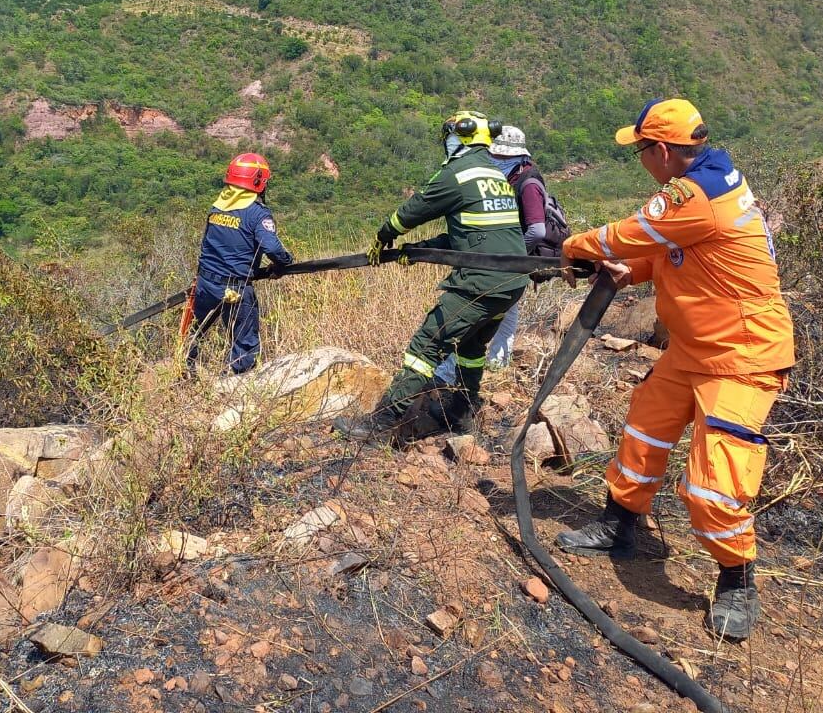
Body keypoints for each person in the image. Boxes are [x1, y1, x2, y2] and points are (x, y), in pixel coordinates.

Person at [554, 98, 794, 643]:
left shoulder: (695, 196)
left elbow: (626, 235)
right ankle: (619, 525)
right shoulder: (707, 181)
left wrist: (573, 247)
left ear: (661, 150)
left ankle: (736, 577)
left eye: (640, 150)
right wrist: (623, 271)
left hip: (741, 356)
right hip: (694, 349)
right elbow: (667, 253)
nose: (640, 159)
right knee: (645, 427)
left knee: (715, 483)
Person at [338, 111, 528, 442]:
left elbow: (415, 209)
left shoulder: (459, 172)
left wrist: (385, 235)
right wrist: (419, 250)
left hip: (480, 283)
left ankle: (381, 425)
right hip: (511, 282)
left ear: (462, 137)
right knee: (471, 347)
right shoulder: (494, 175)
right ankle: (462, 414)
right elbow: (468, 235)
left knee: (426, 346)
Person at [434, 124, 542, 380]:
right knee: (506, 312)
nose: (495, 160)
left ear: (515, 156)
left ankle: (451, 370)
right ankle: (497, 362)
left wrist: (509, 254)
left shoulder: (528, 183)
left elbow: (537, 229)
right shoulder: (513, 178)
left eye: (500, 157)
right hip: (507, 264)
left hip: (509, 263)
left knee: (473, 313)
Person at [186, 152, 293, 376]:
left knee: (195, 334)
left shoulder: (218, 208)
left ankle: (185, 374)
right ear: (258, 182)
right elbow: (272, 248)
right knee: (244, 343)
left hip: (206, 283)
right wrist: (284, 263)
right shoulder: (256, 213)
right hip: (234, 288)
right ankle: (236, 386)